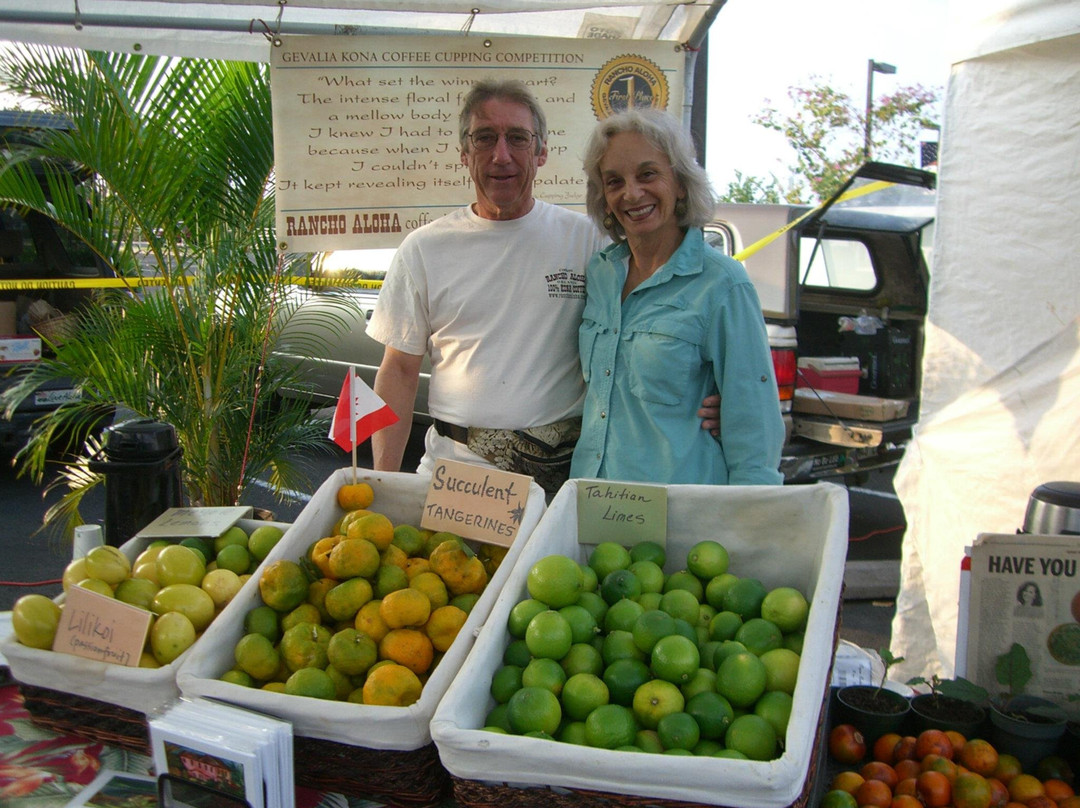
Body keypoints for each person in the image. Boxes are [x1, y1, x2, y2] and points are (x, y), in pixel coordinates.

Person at [368, 80, 720, 494]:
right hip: (459, 478)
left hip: (569, 479)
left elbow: (658, 322)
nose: (501, 155)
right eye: (485, 138)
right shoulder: (423, 249)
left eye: (518, 138)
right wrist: (383, 483)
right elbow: (398, 370)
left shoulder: (590, 241)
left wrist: (717, 393)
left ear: (541, 152)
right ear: (464, 153)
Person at [569, 108, 784, 485]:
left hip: (680, 508)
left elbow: (755, 430)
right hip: (593, 500)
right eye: (614, 181)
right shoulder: (601, 274)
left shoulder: (723, 284)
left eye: (648, 174)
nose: (631, 193)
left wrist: (750, 513)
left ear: (681, 183)